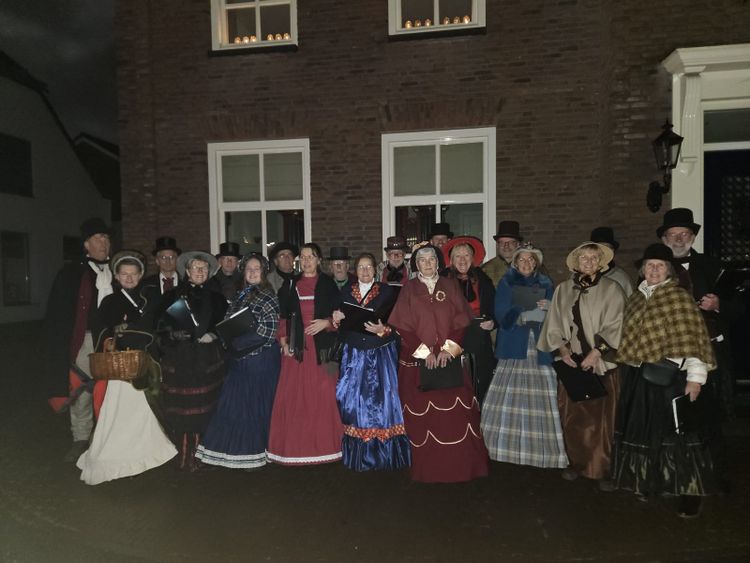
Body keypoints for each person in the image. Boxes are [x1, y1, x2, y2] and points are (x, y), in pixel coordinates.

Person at [612, 243, 717, 518]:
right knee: (648, 434)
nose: (654, 270)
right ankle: (652, 483)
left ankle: (690, 492)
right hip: (642, 378)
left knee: (679, 436)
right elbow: (630, 340)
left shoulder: (679, 298)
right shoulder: (636, 299)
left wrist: (695, 379)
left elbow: (694, 340)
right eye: (650, 265)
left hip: (672, 378)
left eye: (660, 265)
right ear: (643, 270)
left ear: (669, 270)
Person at [388, 243, 489, 482]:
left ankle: (461, 468)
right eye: (422, 260)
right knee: (422, 418)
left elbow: (461, 322)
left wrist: (448, 350)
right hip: (418, 362)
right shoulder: (409, 289)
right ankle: (428, 470)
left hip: (448, 361)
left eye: (431, 259)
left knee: (456, 417)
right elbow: (402, 326)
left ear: (438, 262)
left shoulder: (450, 285)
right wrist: (425, 353)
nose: (427, 263)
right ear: (416, 264)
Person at [76, 251, 176, 485]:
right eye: (124, 274)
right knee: (119, 415)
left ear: (140, 275)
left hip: (143, 365)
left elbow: (156, 328)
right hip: (119, 369)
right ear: (117, 276)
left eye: (133, 274)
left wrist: (130, 332)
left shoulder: (150, 299)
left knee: (141, 415)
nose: (129, 278)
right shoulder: (109, 301)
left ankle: (143, 457)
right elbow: (102, 330)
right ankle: (118, 458)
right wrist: (116, 335)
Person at [538, 241, 626, 490]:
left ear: (601, 262)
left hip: (601, 363)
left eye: (593, 258)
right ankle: (575, 462)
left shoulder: (612, 289)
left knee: (602, 420)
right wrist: (562, 348)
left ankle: (602, 467)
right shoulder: (564, 289)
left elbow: (618, 324)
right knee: (572, 416)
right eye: (583, 258)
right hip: (572, 362)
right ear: (576, 262)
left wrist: (597, 352)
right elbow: (554, 322)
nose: (588, 262)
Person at [481, 244, 568, 469]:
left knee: (541, 398)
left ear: (536, 263)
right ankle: (504, 448)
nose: (527, 263)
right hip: (514, 345)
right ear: (515, 263)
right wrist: (523, 314)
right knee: (508, 395)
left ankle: (540, 452)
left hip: (539, 346)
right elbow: (501, 314)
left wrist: (550, 307)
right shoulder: (506, 282)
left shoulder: (546, 283)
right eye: (522, 260)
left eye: (531, 260)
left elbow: (559, 316)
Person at [196, 253, 281, 470]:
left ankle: (251, 454)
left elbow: (268, 332)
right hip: (239, 360)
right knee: (232, 408)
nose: (252, 272)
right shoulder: (240, 296)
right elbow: (228, 323)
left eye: (256, 269)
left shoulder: (268, 296)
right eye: (248, 269)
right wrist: (227, 339)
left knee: (252, 409)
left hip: (259, 361)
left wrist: (237, 343)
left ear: (263, 273)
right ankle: (228, 453)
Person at [332, 252, 411, 471]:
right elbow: (340, 323)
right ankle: (360, 454)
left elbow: (398, 323)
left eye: (369, 267)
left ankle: (386, 454)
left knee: (384, 400)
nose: (365, 271)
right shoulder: (346, 291)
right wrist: (337, 319)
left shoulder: (388, 291)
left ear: (375, 270)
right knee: (355, 401)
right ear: (355, 271)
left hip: (381, 351)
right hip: (355, 353)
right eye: (361, 267)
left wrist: (384, 329)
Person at [267, 243, 344, 465]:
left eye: (311, 256)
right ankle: (294, 450)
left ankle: (326, 448)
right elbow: (283, 317)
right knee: (295, 399)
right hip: (297, 350)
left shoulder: (328, 284)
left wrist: (326, 323)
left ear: (319, 260)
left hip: (322, 350)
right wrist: (283, 341)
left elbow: (340, 316)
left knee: (323, 398)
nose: (307, 260)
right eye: (303, 257)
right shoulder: (291, 284)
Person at [45, 217, 113, 462]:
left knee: (109, 391)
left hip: (110, 341)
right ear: (86, 244)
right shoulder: (71, 273)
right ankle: (81, 438)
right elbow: (59, 312)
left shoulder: (117, 271)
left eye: (106, 238)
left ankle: (106, 438)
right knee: (81, 391)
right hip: (84, 340)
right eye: (98, 238)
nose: (104, 242)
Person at [158, 251, 227, 471]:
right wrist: (173, 335)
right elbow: (159, 328)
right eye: (195, 267)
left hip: (208, 361)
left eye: (204, 268)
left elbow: (226, 326)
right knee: (183, 410)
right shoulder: (172, 297)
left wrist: (214, 335)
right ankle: (184, 456)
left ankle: (204, 456)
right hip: (180, 361)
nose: (200, 271)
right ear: (187, 271)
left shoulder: (217, 298)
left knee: (206, 409)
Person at [441, 236, 496, 404]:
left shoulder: (483, 279)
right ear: (451, 260)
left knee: (480, 380)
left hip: (478, 336)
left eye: (466, 255)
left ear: (473, 259)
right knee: (455, 380)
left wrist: (493, 322)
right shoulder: (441, 280)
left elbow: (494, 308)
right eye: (458, 256)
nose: (462, 260)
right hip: (451, 337)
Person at [589, 227, 633, 297]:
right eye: (599, 248)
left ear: (612, 251)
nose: (603, 252)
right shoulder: (578, 277)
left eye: (607, 248)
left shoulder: (622, 279)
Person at [482, 221, 523, 288]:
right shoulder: (485, 270)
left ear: (518, 244)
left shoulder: (528, 266)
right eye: (502, 242)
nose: (506, 246)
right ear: (497, 245)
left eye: (511, 242)